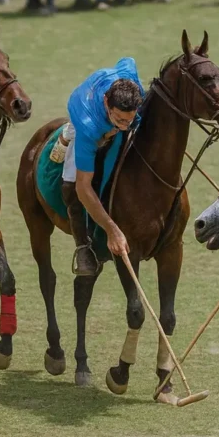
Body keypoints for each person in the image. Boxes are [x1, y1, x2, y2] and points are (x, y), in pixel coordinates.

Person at [61, 58, 145, 276]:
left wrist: (125, 125)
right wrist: (113, 231)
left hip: (107, 95)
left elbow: (128, 61)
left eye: (129, 119)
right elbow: (83, 187)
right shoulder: (88, 125)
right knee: (71, 184)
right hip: (82, 111)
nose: (125, 125)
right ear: (108, 103)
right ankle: (82, 247)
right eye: (120, 119)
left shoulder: (134, 86)